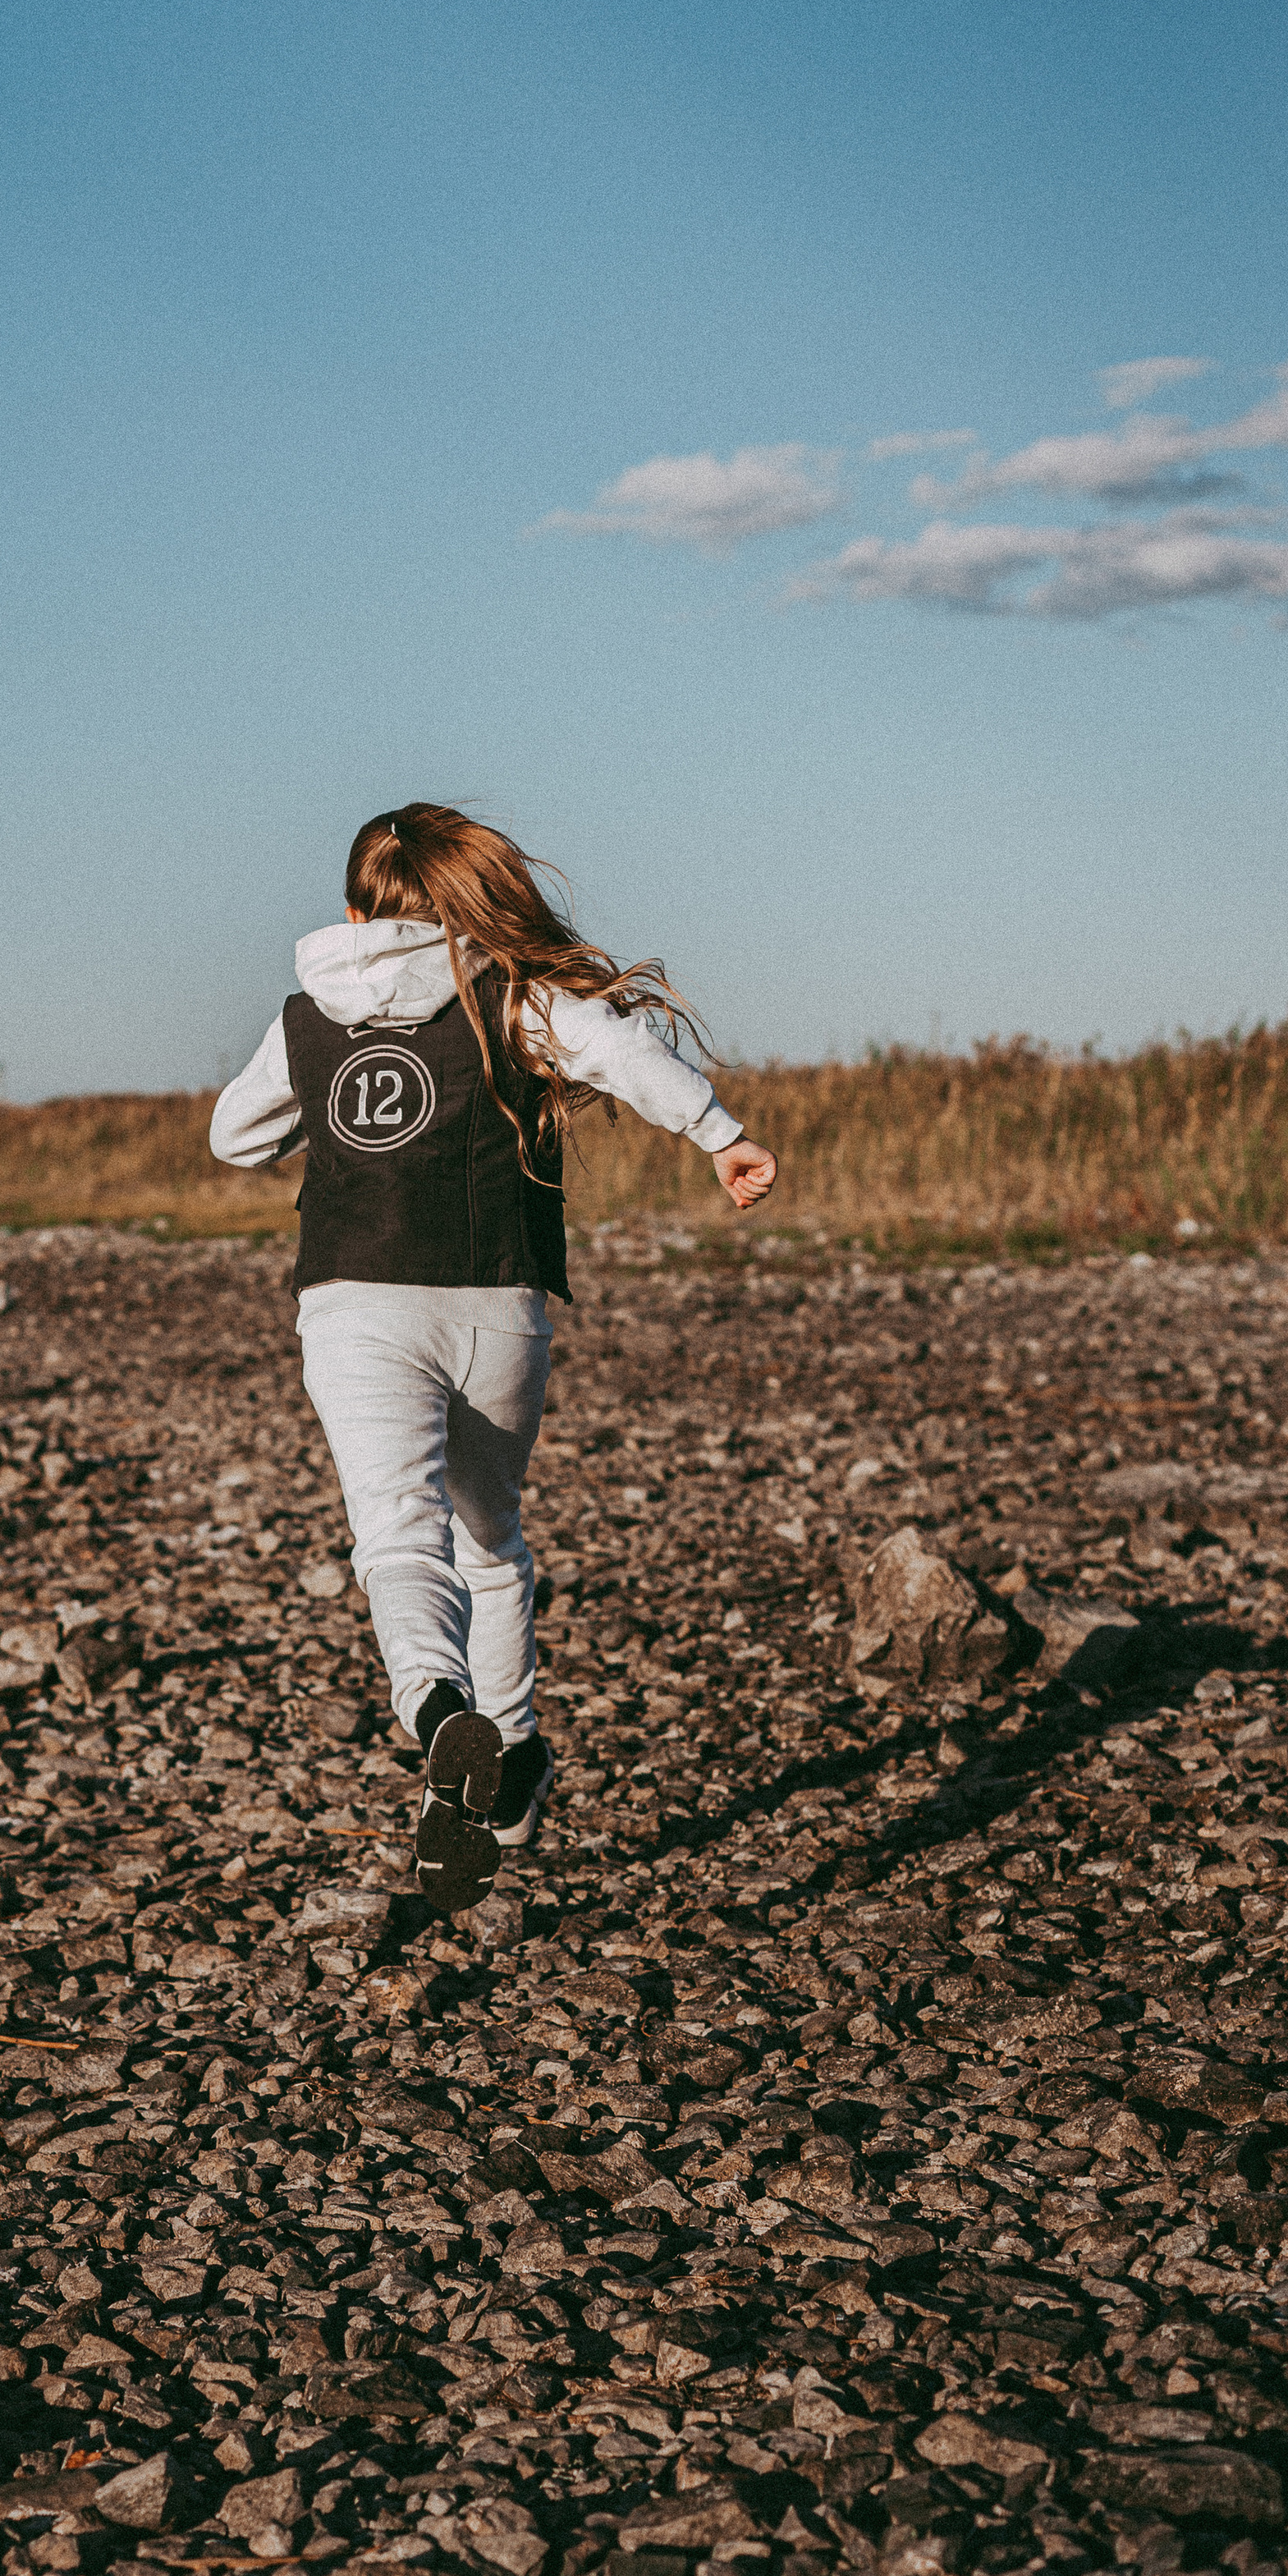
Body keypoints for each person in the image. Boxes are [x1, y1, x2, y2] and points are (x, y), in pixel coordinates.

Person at [209, 803, 777, 1912]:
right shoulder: (514, 997)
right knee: (490, 1534)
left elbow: (235, 1135)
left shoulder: (306, 1015)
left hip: (356, 1299)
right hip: (496, 1303)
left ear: (351, 913)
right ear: (471, 902)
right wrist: (721, 1136)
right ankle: (512, 1759)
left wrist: (318, 1109)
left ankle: (436, 1712)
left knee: (397, 1530)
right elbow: (620, 1052)